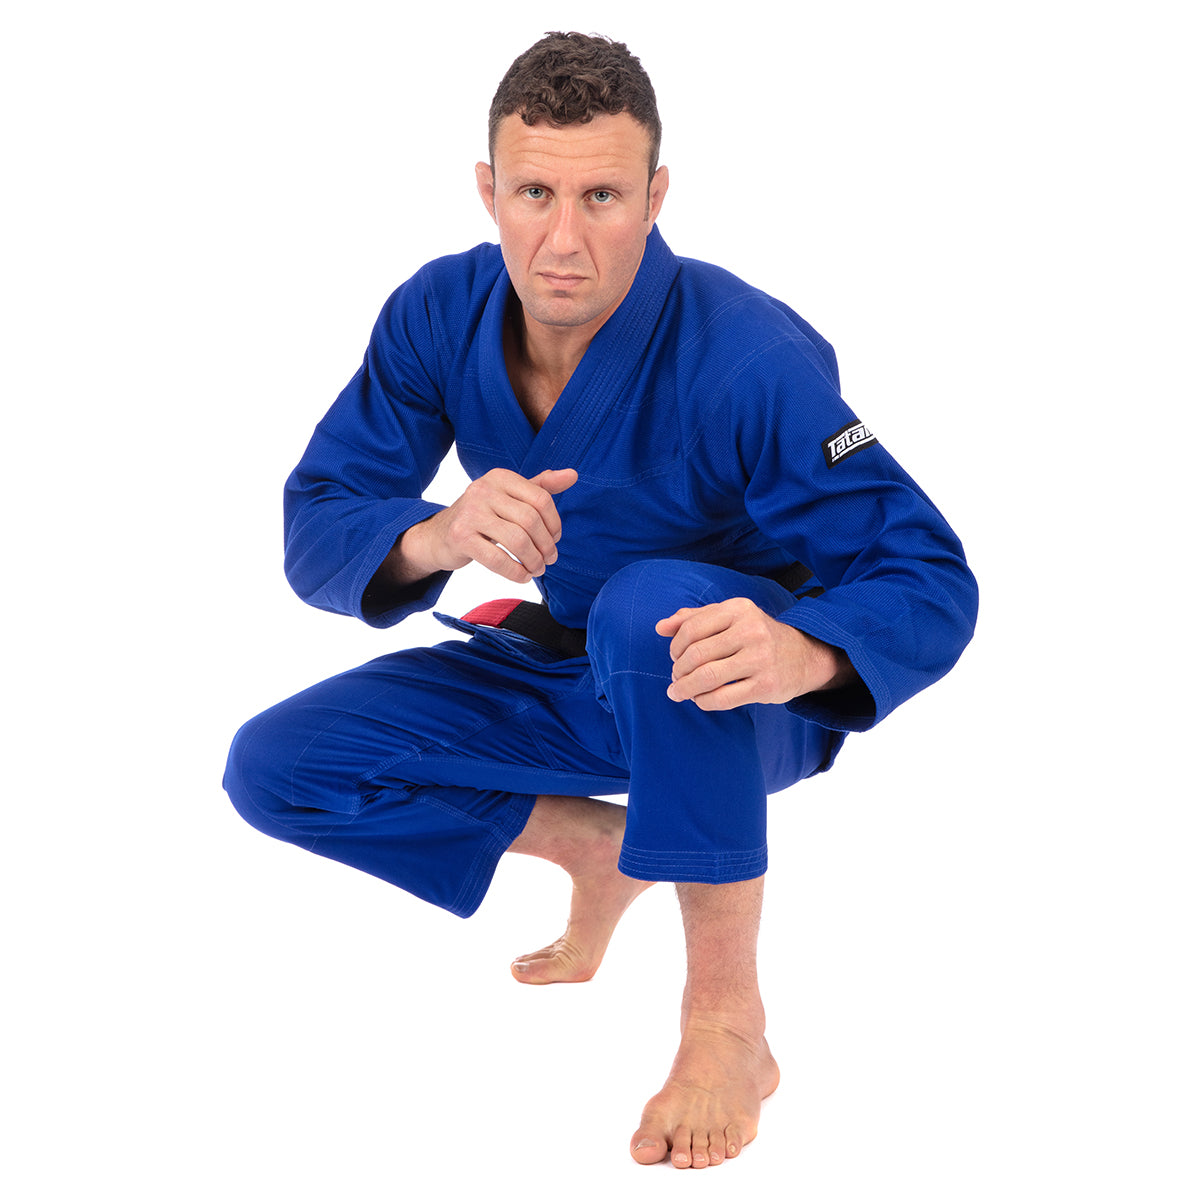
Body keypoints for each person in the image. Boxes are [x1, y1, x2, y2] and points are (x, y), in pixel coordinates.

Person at [224, 32, 977, 1169]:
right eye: (534, 192)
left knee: (648, 601)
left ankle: (728, 1023)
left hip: (737, 688)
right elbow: (320, 515)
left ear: (655, 197)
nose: (563, 239)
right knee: (278, 765)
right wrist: (435, 533)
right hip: (569, 670)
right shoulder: (439, 312)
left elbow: (928, 572)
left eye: (603, 197)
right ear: (489, 190)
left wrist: (804, 652)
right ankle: (599, 848)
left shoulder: (747, 356)